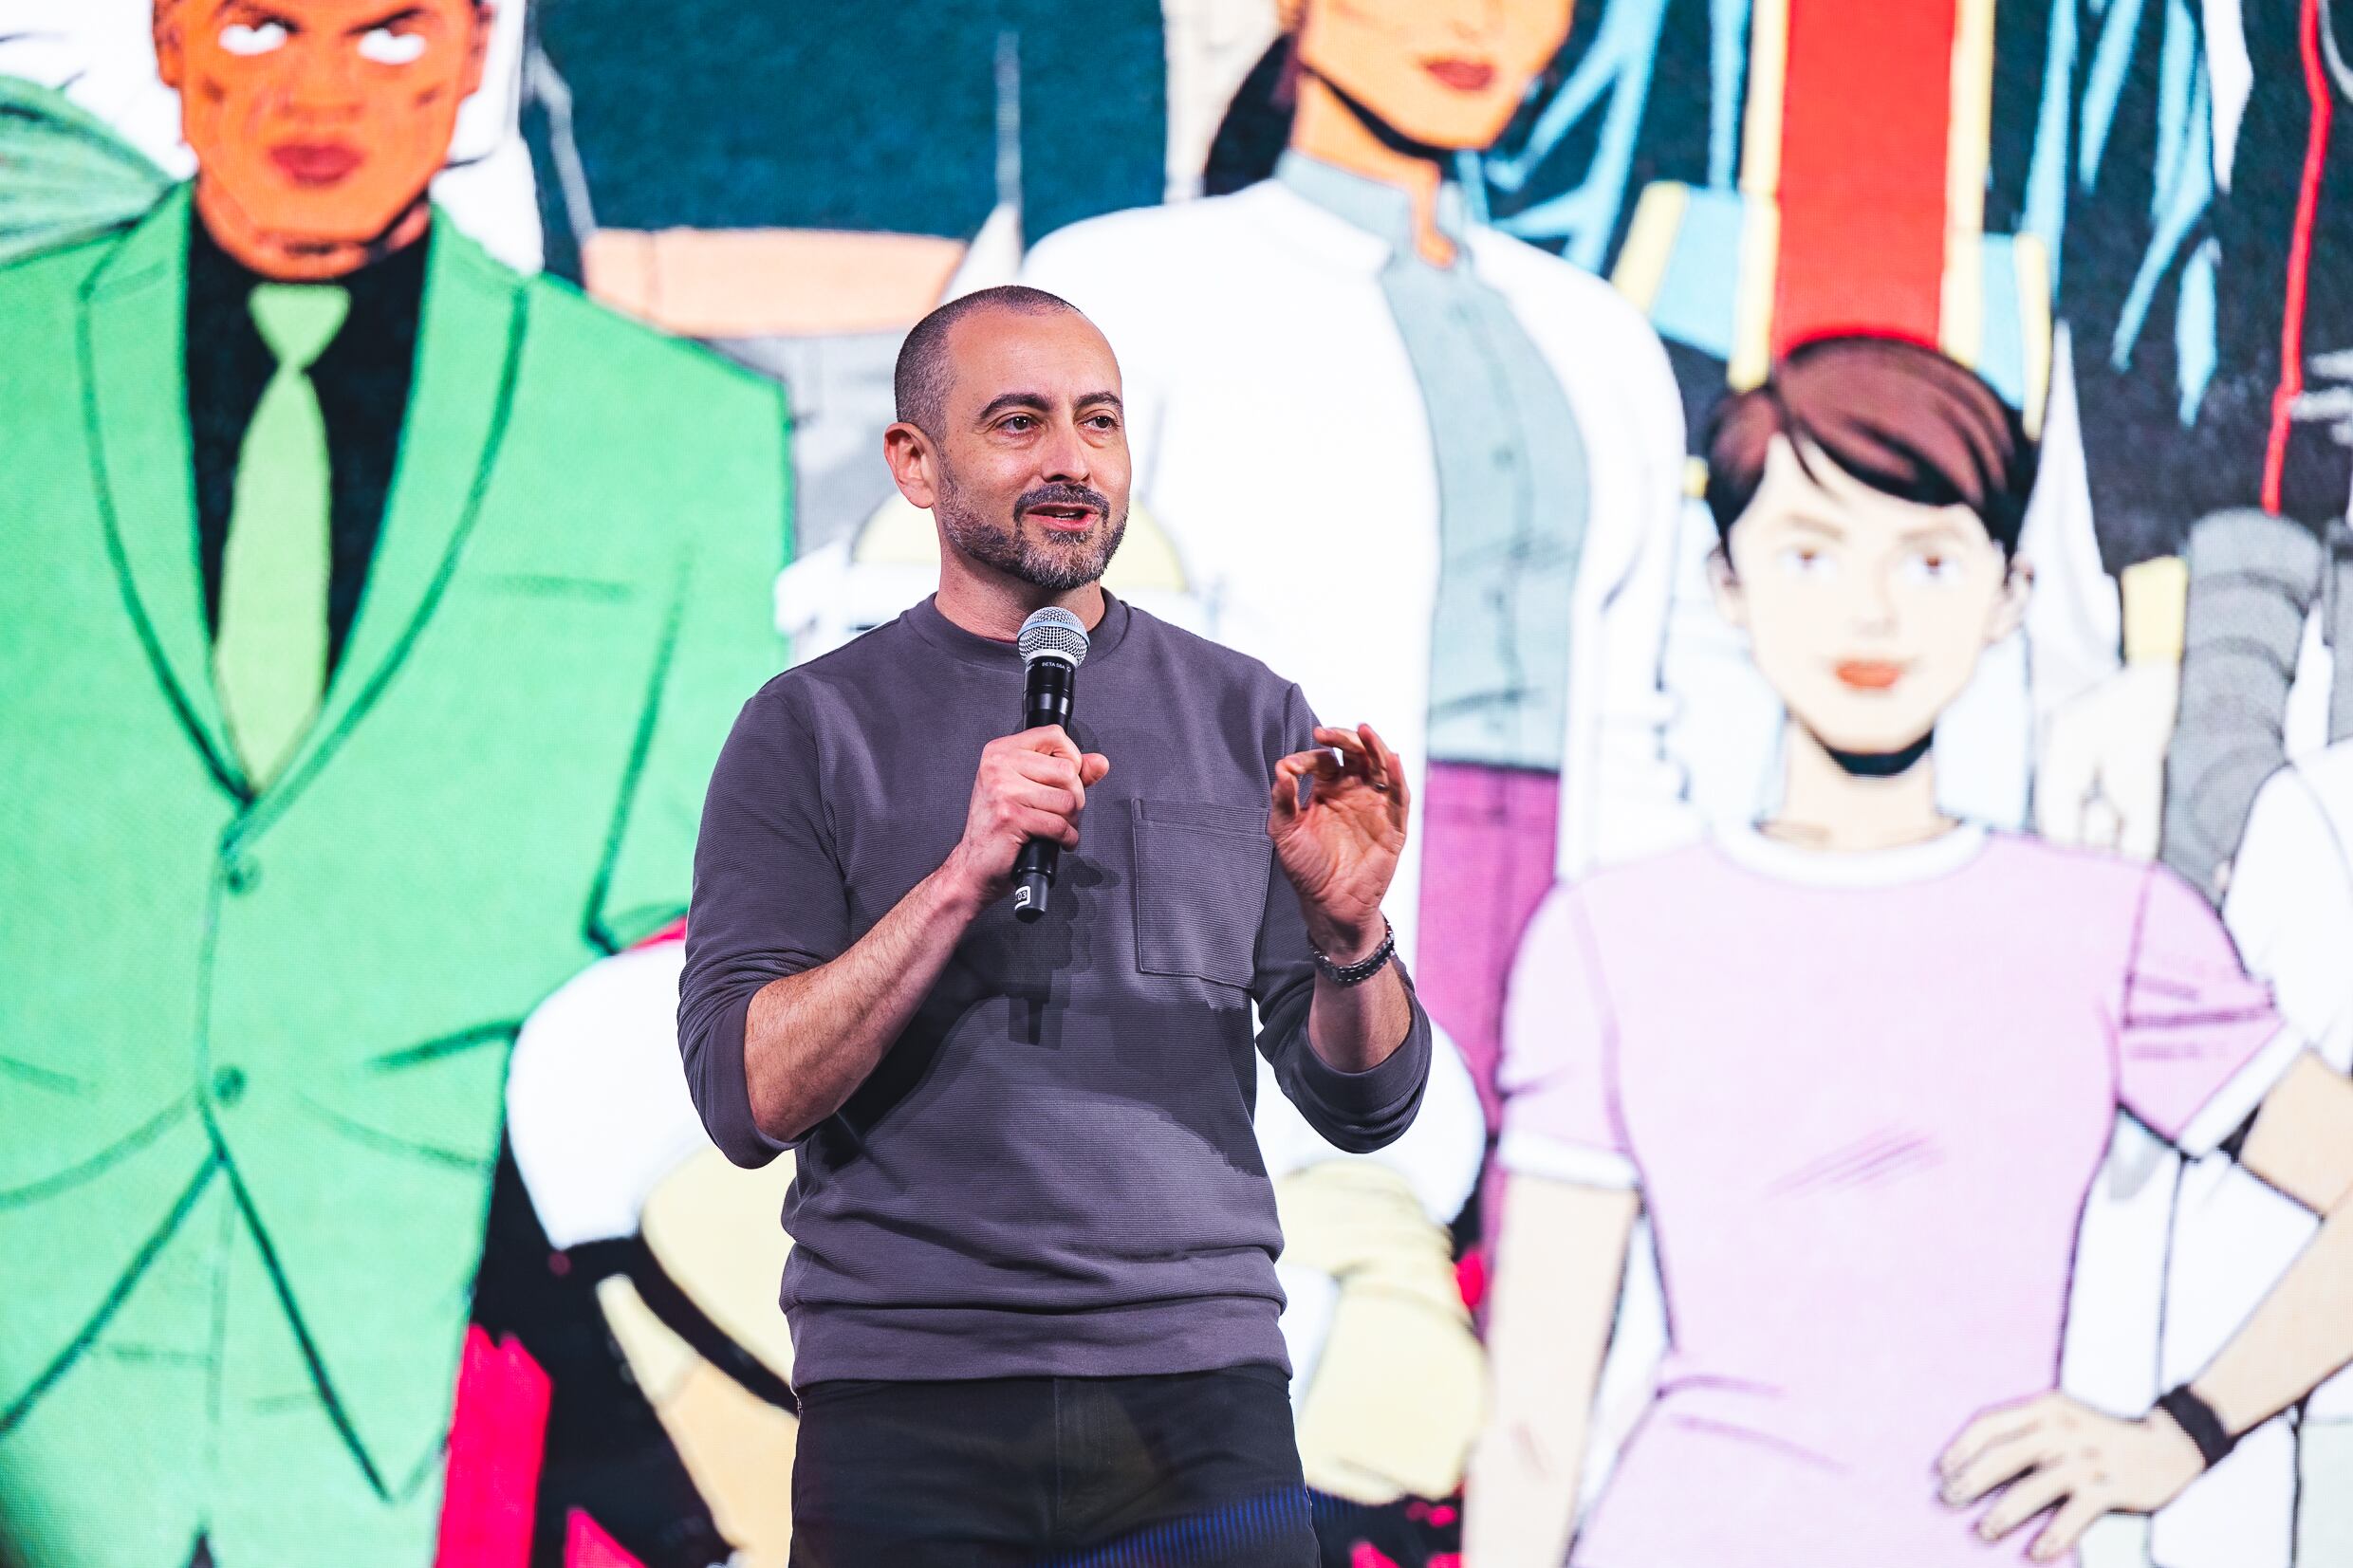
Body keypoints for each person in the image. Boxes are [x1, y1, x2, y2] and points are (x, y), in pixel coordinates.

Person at [0, 0, 787, 1562]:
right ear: (170, 40)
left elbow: (677, 920)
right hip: (44, 1289)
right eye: (261, 26)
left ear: (473, 54)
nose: (319, 92)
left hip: (427, 1336)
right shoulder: (29, 357)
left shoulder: (675, 437)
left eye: (383, 34)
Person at [1465, 335, 2353, 1568]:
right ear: (1727, 583)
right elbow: (1532, 1412)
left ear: (2008, 592)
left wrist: (2181, 1432)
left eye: (1928, 560)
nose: (1869, 610)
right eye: (1809, 554)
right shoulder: (1610, 938)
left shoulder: (2107, 924)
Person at [677, 284, 1435, 1567]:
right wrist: (956, 881)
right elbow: (745, 1098)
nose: (1072, 460)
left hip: (1200, 1396)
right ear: (915, 464)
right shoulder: (810, 728)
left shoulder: (1248, 716)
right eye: (1018, 422)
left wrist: (1351, 934)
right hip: (908, 1402)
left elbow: (1368, 1104)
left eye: (1100, 421)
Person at [1018, 0, 1695, 1134]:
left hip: (1558, 905)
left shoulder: (1597, 338)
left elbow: (1636, 707)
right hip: (1263, 925)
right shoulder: (1128, 286)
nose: (1475, 21)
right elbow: (1041, 665)